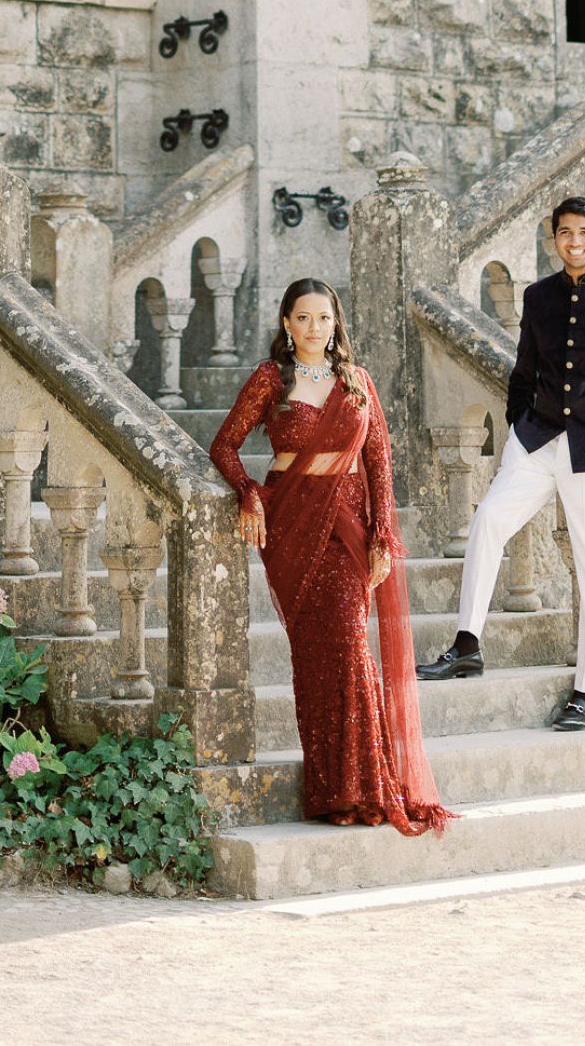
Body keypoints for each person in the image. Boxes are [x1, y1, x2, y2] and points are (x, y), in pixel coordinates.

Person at [419, 195, 585, 731]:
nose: (574, 242)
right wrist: (518, 421)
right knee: (488, 521)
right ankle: (467, 643)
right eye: (564, 233)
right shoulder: (537, 296)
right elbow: (524, 370)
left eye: (584, 232)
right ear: (553, 238)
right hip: (537, 440)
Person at [209, 277, 452, 834]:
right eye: (303, 318)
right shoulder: (271, 378)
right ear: (286, 324)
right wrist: (247, 492)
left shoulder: (357, 382)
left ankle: (367, 785)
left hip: (347, 527)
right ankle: (333, 793)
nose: (314, 328)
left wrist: (383, 535)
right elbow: (224, 444)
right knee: (314, 659)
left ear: (336, 322)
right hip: (292, 525)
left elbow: (379, 464)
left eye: (323, 318)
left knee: (348, 647)